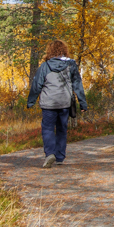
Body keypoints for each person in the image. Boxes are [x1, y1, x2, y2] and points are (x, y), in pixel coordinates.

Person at [27, 40, 87, 168]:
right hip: (64, 103)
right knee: (62, 129)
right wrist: (82, 103)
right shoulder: (71, 65)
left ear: (49, 51)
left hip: (48, 103)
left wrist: (31, 101)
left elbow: (37, 85)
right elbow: (77, 85)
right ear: (64, 50)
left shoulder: (45, 66)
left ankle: (50, 154)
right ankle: (59, 156)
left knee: (48, 128)